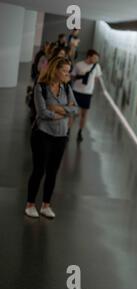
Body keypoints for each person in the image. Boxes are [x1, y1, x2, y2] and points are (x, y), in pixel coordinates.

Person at [25, 57, 79, 219]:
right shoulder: (40, 88)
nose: (66, 74)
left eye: (68, 71)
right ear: (55, 69)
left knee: (53, 172)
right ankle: (30, 204)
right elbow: (42, 113)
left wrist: (56, 109)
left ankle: (46, 205)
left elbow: (75, 109)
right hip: (42, 135)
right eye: (64, 71)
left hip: (61, 136)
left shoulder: (67, 88)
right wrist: (63, 112)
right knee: (39, 170)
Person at [71, 49, 102, 142]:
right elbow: (72, 76)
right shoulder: (79, 65)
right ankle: (68, 130)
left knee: (84, 114)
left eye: (97, 58)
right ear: (89, 56)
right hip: (76, 91)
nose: (96, 60)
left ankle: (80, 132)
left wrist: (90, 89)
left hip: (87, 94)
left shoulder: (97, 67)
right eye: (95, 57)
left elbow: (96, 78)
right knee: (72, 113)